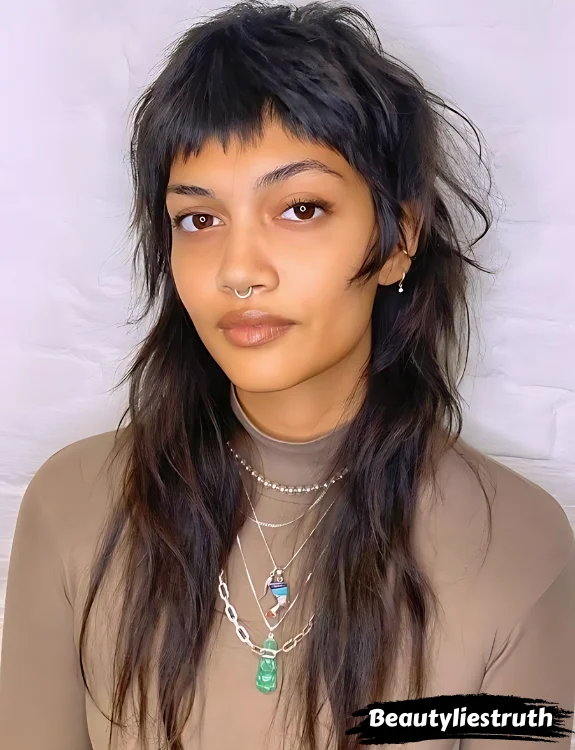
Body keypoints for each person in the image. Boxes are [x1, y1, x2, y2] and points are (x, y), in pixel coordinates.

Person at [1, 1, 574, 749]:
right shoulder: (74, 504)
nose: (238, 271)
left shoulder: (518, 546)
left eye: (300, 208)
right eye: (199, 219)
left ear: (398, 239)